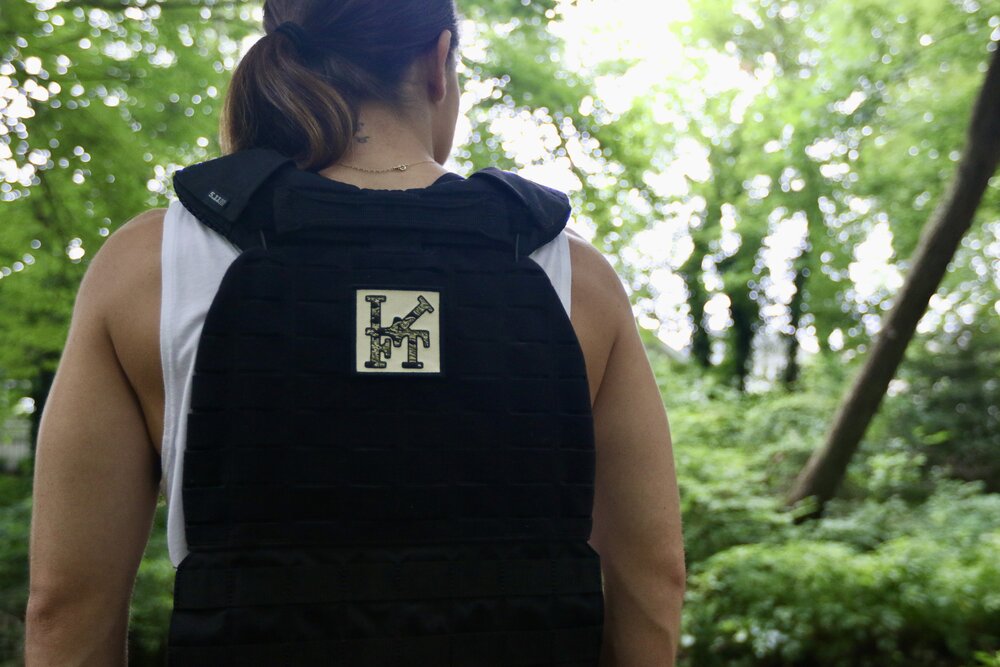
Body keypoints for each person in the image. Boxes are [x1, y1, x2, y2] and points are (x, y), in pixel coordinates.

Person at [23, 0, 686, 665]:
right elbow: (655, 579)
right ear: (438, 63)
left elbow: (66, 607)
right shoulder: (575, 275)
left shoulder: (147, 265)